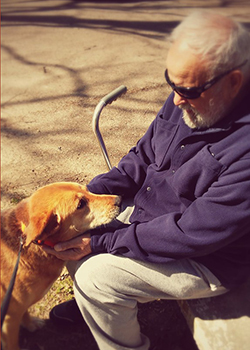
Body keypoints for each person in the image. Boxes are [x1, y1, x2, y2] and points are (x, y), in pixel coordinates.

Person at [44, 11, 250, 350]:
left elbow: (191, 233)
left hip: (207, 259)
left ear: (234, 81)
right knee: (79, 225)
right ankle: (99, 309)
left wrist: (102, 243)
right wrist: (91, 194)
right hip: (151, 215)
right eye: (171, 83)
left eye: (187, 89)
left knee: (96, 278)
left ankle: (110, 320)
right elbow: (141, 157)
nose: (176, 99)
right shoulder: (189, 97)